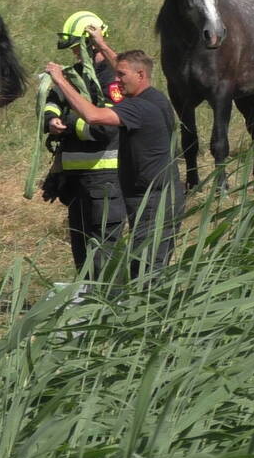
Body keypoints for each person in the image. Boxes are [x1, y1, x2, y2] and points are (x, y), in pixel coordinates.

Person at [45, 39, 184, 280]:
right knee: (144, 265)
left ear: (141, 75)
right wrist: (101, 44)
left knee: (146, 271)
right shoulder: (155, 98)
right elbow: (126, 67)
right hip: (159, 195)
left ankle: (151, 315)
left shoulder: (137, 109)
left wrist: (61, 80)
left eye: (121, 75)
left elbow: (92, 115)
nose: (115, 80)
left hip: (154, 201)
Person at [39, 11, 126, 281]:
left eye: (78, 49)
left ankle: (109, 304)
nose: (75, 55)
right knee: (81, 246)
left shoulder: (114, 80)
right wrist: (51, 118)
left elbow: (104, 129)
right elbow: (53, 98)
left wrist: (67, 121)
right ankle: (87, 303)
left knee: (104, 249)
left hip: (105, 179)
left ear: (91, 43)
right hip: (75, 179)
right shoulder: (73, 75)